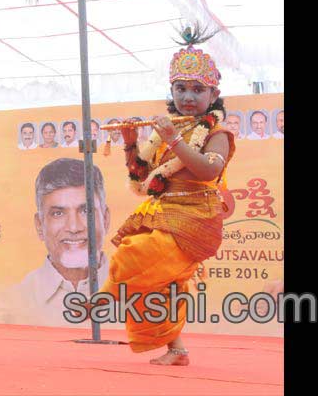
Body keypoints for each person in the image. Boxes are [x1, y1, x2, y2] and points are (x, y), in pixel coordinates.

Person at [88, 25, 236, 366]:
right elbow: (142, 178)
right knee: (159, 288)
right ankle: (177, 349)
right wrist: (128, 141)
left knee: (137, 253)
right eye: (180, 88)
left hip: (195, 218)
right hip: (161, 210)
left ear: (213, 95)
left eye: (197, 90)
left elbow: (208, 171)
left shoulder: (217, 133)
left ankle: (106, 297)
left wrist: (173, 140)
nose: (188, 97)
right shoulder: (169, 127)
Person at [12, 158, 111, 326]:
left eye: (86, 210)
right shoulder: (16, 301)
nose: (73, 227)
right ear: (39, 225)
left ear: (106, 219)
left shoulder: (140, 294)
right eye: (58, 213)